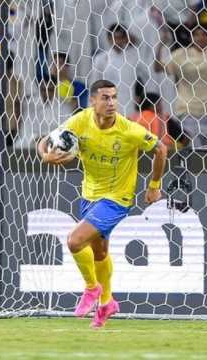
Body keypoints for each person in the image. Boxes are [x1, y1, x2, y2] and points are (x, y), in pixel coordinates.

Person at [36, 80, 168, 328]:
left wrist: (154, 186)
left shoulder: (129, 130)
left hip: (118, 198)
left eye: (114, 98)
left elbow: (161, 149)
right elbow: (45, 140)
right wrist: (46, 155)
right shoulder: (80, 121)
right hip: (90, 195)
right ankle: (107, 303)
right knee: (100, 252)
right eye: (105, 98)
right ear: (93, 101)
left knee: (75, 241)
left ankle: (91, 288)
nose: (111, 103)